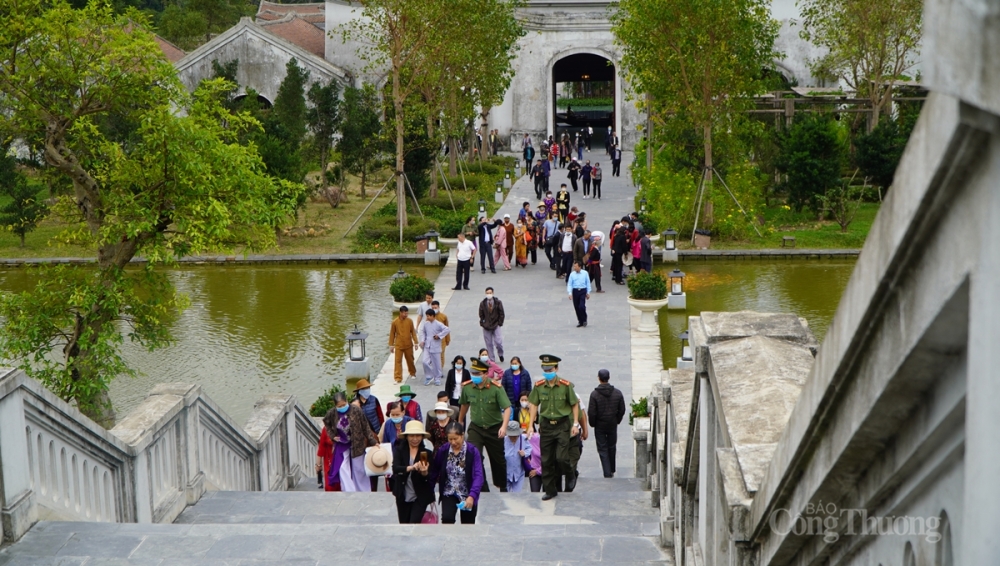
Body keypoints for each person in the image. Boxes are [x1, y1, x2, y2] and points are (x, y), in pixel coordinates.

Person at [526, 355, 581, 500]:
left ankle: (570, 474)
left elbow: (574, 404)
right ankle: (550, 490)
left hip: (562, 425)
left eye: (550, 369)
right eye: (545, 369)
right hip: (546, 426)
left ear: (556, 368)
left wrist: (575, 424)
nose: (547, 372)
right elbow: (533, 405)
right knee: (546, 460)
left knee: (561, 458)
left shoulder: (565, 385)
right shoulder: (539, 386)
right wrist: (530, 425)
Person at [459, 357, 512, 492]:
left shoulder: (496, 388)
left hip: (494, 427)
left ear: (485, 374)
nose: (475, 376)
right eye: (473, 373)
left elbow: (507, 408)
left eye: (478, 374)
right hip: (476, 427)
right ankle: (482, 486)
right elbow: (465, 404)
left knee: (498, 460)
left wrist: (504, 427)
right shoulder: (467, 387)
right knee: (472, 454)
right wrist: (460, 420)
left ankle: (502, 485)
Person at [429, 422, 484, 524]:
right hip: (449, 491)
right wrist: (429, 490)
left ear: (462, 435)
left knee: (468, 524)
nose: (453, 442)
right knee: (447, 519)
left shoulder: (472, 451)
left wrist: (472, 496)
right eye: (450, 439)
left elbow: (478, 475)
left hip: (467, 493)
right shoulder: (443, 450)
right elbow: (435, 470)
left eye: (456, 439)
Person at [325, 392, 379, 492]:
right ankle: (348, 490)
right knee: (342, 467)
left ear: (346, 401)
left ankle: (363, 491)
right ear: (335, 405)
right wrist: (333, 436)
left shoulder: (356, 410)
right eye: (339, 406)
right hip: (342, 443)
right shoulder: (332, 413)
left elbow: (365, 426)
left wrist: (372, 441)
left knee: (359, 469)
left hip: (357, 442)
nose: (342, 407)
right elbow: (327, 423)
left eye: (343, 404)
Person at [391, 421, 434, 523]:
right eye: (412, 436)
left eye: (418, 436)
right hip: (403, 494)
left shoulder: (427, 454)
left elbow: (430, 477)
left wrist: (424, 473)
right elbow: (395, 468)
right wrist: (411, 467)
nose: (415, 439)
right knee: (404, 524)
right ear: (406, 437)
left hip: (420, 496)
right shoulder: (400, 451)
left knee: (414, 523)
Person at [588, 369, 627, 478]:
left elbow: (592, 412)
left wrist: (593, 424)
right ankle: (612, 469)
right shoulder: (617, 393)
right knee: (612, 446)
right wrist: (617, 420)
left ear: (599, 378)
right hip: (612, 424)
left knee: (602, 448)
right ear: (609, 378)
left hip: (600, 425)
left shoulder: (594, 395)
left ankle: (607, 472)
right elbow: (622, 409)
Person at [353, 378, 384, 491]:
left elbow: (380, 417)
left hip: (374, 434)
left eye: (368, 388)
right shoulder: (355, 403)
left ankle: (374, 488)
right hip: (361, 439)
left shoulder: (374, 400)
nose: (367, 390)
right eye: (365, 389)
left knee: (374, 461)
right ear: (359, 391)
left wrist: (380, 433)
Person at [418, 309, 450, 386]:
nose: (427, 317)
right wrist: (422, 340)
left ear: (433, 316)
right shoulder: (426, 324)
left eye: (428, 316)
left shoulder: (438, 324)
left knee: (437, 363)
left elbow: (447, 329)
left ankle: (437, 378)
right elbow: (423, 333)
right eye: (427, 316)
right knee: (425, 361)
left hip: (435, 345)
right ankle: (429, 376)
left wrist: (439, 336)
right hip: (427, 345)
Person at [389, 306, 418, 384]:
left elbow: (413, 332)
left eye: (407, 313)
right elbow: (392, 334)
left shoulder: (410, 321)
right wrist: (391, 345)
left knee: (410, 359)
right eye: (405, 313)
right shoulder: (395, 322)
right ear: (401, 312)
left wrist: (416, 342)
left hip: (408, 344)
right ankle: (398, 378)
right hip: (398, 344)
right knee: (398, 361)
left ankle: (412, 373)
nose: (406, 314)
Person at [478, 287, 505, 362]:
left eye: (490, 293)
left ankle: (500, 354)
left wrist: (500, 322)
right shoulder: (483, 303)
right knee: (489, 343)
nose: (489, 294)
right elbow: (481, 314)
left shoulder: (498, 302)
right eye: (487, 293)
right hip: (486, 326)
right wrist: (482, 323)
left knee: (498, 342)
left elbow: (501, 313)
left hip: (496, 324)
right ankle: (492, 358)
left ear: (493, 293)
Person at [504, 420, 531, 492]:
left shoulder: (523, 438)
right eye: (511, 436)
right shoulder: (504, 440)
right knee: (506, 496)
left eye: (515, 436)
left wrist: (524, 453)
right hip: (506, 473)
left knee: (517, 496)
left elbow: (530, 448)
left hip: (519, 473)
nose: (513, 438)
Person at [567, 261, 592, 328]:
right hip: (575, 291)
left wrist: (588, 292)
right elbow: (570, 284)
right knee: (576, 307)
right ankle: (580, 321)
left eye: (576, 266)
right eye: (574, 266)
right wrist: (570, 293)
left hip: (582, 290)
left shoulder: (585, 273)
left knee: (581, 306)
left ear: (580, 267)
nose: (574, 268)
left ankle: (584, 319)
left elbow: (588, 283)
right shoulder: (572, 274)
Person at [527, 426, 542, 492]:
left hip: (548, 470)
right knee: (534, 493)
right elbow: (518, 438)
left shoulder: (553, 442)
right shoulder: (533, 438)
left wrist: (538, 471)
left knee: (548, 495)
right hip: (534, 470)